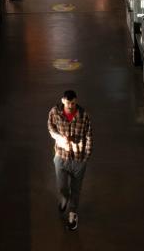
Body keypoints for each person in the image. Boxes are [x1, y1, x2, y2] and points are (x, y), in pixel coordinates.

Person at [47, 90, 93, 231]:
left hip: (79, 159)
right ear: (63, 101)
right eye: (68, 103)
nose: (71, 106)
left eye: (73, 103)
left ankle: (72, 214)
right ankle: (64, 199)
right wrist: (59, 138)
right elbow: (50, 126)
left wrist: (86, 157)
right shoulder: (55, 112)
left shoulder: (83, 115)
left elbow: (89, 136)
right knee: (62, 187)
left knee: (76, 189)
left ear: (76, 101)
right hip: (61, 157)